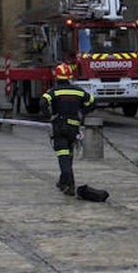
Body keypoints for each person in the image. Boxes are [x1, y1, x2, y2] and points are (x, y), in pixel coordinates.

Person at [40, 63, 95, 196]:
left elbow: (43, 102)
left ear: (57, 77)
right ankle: (63, 181)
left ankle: (69, 184)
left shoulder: (54, 91)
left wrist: (49, 115)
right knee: (68, 154)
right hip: (73, 128)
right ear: (70, 77)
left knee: (63, 156)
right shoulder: (79, 91)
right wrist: (82, 112)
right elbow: (92, 102)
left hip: (60, 127)